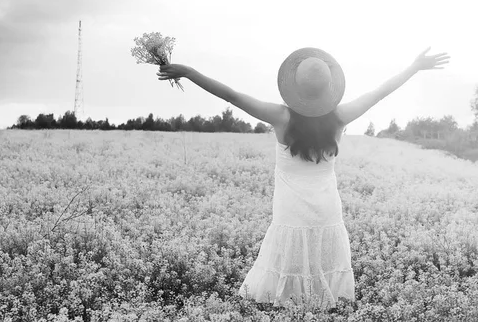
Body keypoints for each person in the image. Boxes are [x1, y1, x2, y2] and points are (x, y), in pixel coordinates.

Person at [157, 47, 449, 309]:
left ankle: (291, 307)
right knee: (322, 265)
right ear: (329, 89)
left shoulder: (280, 117)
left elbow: (231, 96)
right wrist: (413, 67)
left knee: (290, 264)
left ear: (295, 87)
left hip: (291, 209)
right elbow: (379, 92)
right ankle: (320, 306)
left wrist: (189, 72)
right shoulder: (340, 116)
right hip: (326, 209)